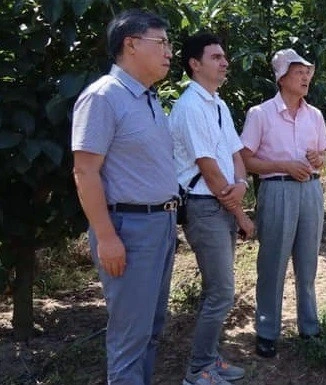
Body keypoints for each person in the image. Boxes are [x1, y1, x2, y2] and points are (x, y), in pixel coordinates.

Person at [71, 9, 177, 385]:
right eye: (161, 42)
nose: (169, 52)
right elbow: (85, 171)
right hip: (128, 229)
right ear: (130, 44)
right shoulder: (103, 97)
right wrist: (107, 236)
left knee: (150, 327)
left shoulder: (148, 99)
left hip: (160, 224)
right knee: (130, 336)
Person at [170, 32, 255, 385]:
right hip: (205, 206)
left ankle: (210, 359)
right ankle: (197, 369)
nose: (225, 62)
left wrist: (243, 184)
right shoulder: (190, 107)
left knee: (215, 289)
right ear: (195, 64)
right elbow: (207, 167)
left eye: (225, 56)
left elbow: (235, 152)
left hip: (221, 202)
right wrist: (240, 212)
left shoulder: (218, 104)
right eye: (216, 56)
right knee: (221, 291)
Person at [240, 48, 326, 358]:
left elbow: (322, 155)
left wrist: (318, 158)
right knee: (272, 264)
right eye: (299, 72)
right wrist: (283, 165)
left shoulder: (315, 115)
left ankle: (309, 326)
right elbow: (247, 159)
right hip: (277, 191)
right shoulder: (260, 114)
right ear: (281, 77)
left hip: (311, 192)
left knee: (308, 263)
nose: (306, 77)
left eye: (308, 72)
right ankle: (266, 330)